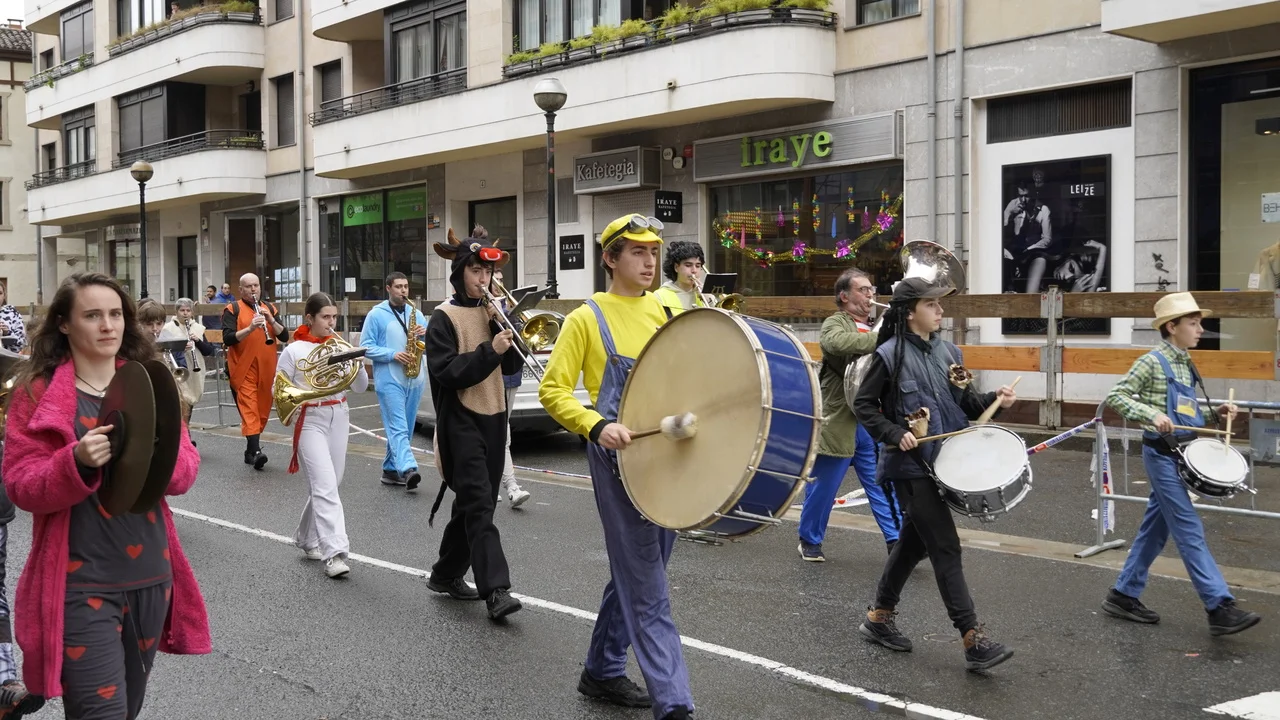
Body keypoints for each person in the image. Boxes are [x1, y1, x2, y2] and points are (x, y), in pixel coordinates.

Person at [1, 272, 211, 718]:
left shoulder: (150, 384)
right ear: (64, 323)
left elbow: (184, 472)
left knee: (127, 710)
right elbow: (20, 484)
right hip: (80, 583)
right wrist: (74, 462)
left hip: (151, 576)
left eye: (115, 314)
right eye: (92, 315)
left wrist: (154, 451)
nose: (107, 325)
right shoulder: (38, 393)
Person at [539, 214, 694, 720]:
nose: (650, 262)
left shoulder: (667, 310)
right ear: (610, 258)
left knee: (641, 570)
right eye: (637, 252)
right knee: (647, 584)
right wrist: (595, 425)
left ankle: (602, 670)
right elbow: (554, 390)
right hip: (617, 459)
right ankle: (675, 702)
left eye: (653, 252)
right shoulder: (587, 318)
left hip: (666, 456)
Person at [853, 276, 1017, 672]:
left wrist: (996, 400)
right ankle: (972, 637)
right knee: (945, 546)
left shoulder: (949, 351)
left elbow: (968, 404)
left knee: (914, 543)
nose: (940, 310)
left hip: (947, 464)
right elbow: (864, 405)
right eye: (932, 304)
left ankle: (878, 617)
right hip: (909, 467)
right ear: (910, 313)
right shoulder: (889, 355)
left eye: (940, 304)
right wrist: (895, 433)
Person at [1099, 292, 1260, 636]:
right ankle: (1219, 606)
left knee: (1155, 530)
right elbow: (1116, 396)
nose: (1200, 329)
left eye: (1199, 323)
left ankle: (1123, 595)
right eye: (1193, 323)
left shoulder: (1186, 363)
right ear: (1172, 327)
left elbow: (1186, 415)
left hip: (1183, 455)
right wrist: (1151, 414)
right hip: (1161, 455)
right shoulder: (1152, 361)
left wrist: (1215, 414)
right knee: (1188, 528)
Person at [423, 226, 523, 621]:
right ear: (460, 271)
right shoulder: (442, 318)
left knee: (472, 505)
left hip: (494, 416)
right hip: (459, 419)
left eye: (488, 273)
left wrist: (506, 328)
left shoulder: (493, 311)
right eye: (476, 272)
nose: (484, 279)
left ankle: (446, 574)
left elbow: (511, 367)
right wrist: (489, 350)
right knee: (481, 503)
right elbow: (447, 372)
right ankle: (496, 590)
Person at [798, 267, 901, 562]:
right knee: (824, 487)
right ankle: (809, 540)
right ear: (844, 296)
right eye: (863, 289)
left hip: (869, 420)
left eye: (872, 289)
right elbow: (834, 344)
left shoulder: (874, 326)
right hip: (839, 419)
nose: (870, 295)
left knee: (881, 484)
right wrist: (882, 339)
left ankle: (897, 541)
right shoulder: (836, 322)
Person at [278, 293, 369, 579]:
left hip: (339, 414)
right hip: (310, 419)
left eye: (334, 317)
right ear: (310, 318)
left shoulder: (339, 346)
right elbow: (278, 389)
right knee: (325, 485)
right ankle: (335, 553)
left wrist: (357, 361)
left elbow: (360, 388)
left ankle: (306, 538)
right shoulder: (294, 350)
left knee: (331, 483)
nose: (331, 323)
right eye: (325, 317)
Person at [359, 272, 428, 490]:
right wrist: (392, 354)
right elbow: (365, 347)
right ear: (388, 288)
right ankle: (408, 469)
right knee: (398, 426)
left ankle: (390, 470)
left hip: (414, 378)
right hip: (389, 378)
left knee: (406, 427)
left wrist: (425, 334)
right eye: (398, 286)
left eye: (406, 286)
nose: (403, 290)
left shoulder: (416, 313)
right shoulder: (376, 315)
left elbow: (430, 343)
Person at [221, 273, 287, 470]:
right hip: (243, 368)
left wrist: (271, 321)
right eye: (248, 286)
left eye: (256, 285)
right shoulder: (232, 309)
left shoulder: (270, 308)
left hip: (267, 368)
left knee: (262, 411)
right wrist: (250, 328)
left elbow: (284, 336)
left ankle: (250, 452)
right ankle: (257, 452)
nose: (253, 290)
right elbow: (228, 338)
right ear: (240, 290)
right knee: (250, 409)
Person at [489, 268, 532, 509]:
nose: (498, 284)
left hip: (511, 378)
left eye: (501, 279)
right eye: (495, 279)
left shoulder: (511, 307)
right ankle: (508, 486)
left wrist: (509, 316)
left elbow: (523, 340)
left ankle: (503, 485)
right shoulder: (483, 308)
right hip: (490, 378)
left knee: (502, 433)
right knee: (497, 433)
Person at [654, 241, 707, 315]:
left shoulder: (706, 295)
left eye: (698, 266)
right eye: (688, 265)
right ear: (676, 267)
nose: (694, 270)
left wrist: (708, 299)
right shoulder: (659, 296)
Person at [0, 282, 27, 353]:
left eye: (0, 293)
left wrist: (7, 333)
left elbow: (22, 343)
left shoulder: (12, 312)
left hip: (8, 357)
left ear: (4, 295)